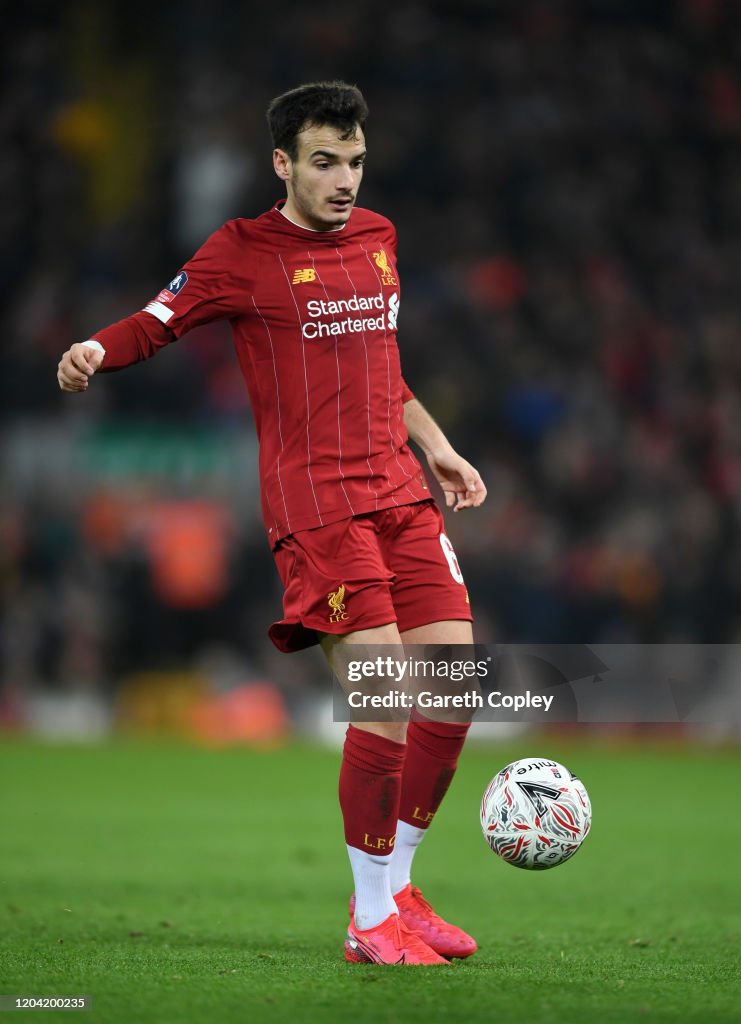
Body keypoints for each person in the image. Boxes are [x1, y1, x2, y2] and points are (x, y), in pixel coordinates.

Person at [57, 81, 487, 966]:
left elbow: (380, 364)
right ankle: (369, 922)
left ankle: (398, 888)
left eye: (356, 162)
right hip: (319, 508)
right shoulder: (242, 252)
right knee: (386, 704)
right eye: (324, 162)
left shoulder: (379, 240)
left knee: (452, 689)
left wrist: (438, 447)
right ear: (283, 163)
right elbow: (159, 317)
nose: (344, 181)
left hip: (399, 490)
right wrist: (98, 349)